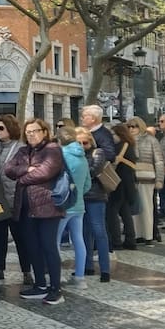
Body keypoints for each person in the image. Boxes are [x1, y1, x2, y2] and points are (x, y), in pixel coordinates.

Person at [4, 118, 65, 305]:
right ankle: (40, 284)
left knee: (48, 247)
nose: (31, 134)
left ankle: (55, 288)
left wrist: (22, 179)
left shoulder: (53, 149)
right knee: (32, 247)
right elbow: (8, 169)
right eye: (28, 132)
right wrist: (27, 168)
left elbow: (46, 172)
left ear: (44, 131)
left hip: (47, 206)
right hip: (25, 207)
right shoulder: (23, 151)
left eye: (35, 131)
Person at [0, 114, 27, 287]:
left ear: (10, 129)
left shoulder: (21, 148)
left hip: (15, 200)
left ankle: (26, 270)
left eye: (1, 128)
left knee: (21, 237)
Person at [56, 125, 92, 289]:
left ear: (59, 140)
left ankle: (57, 276)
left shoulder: (61, 155)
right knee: (78, 240)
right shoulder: (82, 156)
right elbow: (87, 184)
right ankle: (80, 277)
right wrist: (78, 194)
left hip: (63, 205)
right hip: (79, 205)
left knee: (55, 241)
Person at [76, 128, 113, 282]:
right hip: (81, 197)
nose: (81, 146)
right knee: (84, 232)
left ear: (91, 142)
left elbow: (94, 170)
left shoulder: (97, 153)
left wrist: (78, 170)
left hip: (96, 196)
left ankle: (105, 269)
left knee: (99, 232)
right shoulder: (75, 154)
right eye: (78, 143)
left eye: (85, 142)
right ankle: (87, 265)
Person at [128, 116, 163, 244]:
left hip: (147, 176)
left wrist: (159, 179)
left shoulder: (151, 140)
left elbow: (158, 160)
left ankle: (148, 235)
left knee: (147, 207)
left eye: (134, 126)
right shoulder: (128, 141)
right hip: (131, 177)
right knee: (134, 208)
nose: (131, 129)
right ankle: (137, 234)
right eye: (129, 126)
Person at [107, 123, 138, 250]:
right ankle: (130, 240)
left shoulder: (118, 146)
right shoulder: (129, 145)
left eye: (113, 134)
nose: (111, 137)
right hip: (128, 182)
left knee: (112, 212)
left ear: (120, 134)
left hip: (118, 182)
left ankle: (116, 241)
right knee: (125, 212)